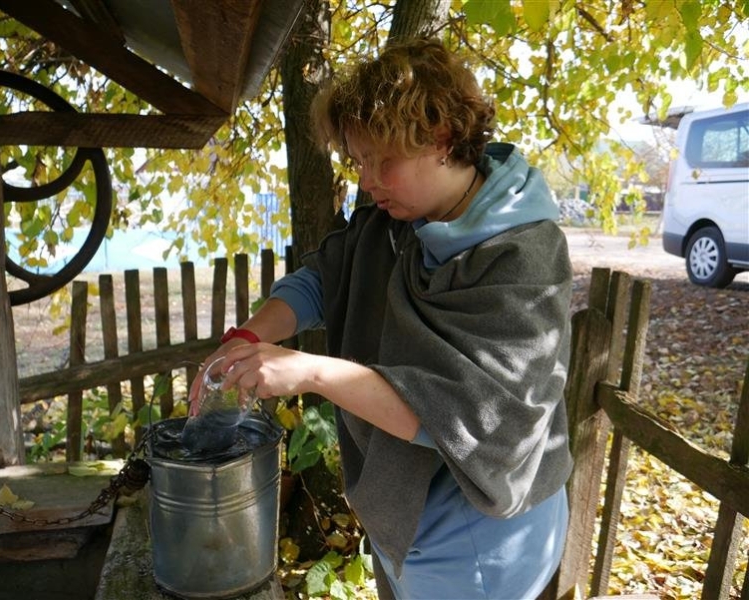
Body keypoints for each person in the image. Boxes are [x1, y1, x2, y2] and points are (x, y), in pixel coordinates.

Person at [191, 37, 573, 600]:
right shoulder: (394, 222)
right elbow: (325, 277)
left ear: (441, 139)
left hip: (482, 546)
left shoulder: (524, 258)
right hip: (403, 521)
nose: (366, 180)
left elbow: (471, 418)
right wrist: (248, 336)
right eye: (359, 160)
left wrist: (309, 371)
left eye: (382, 160)